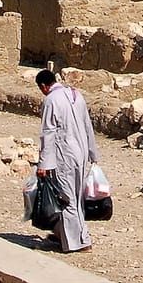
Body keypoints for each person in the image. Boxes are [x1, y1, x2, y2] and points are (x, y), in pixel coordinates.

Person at [34, 68, 97, 252]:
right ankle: (75, 235)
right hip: (81, 153)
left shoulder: (51, 100)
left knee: (66, 199)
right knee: (77, 198)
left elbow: (48, 133)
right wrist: (93, 153)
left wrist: (43, 164)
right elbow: (87, 125)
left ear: (44, 86)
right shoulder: (76, 95)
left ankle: (75, 243)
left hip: (64, 155)